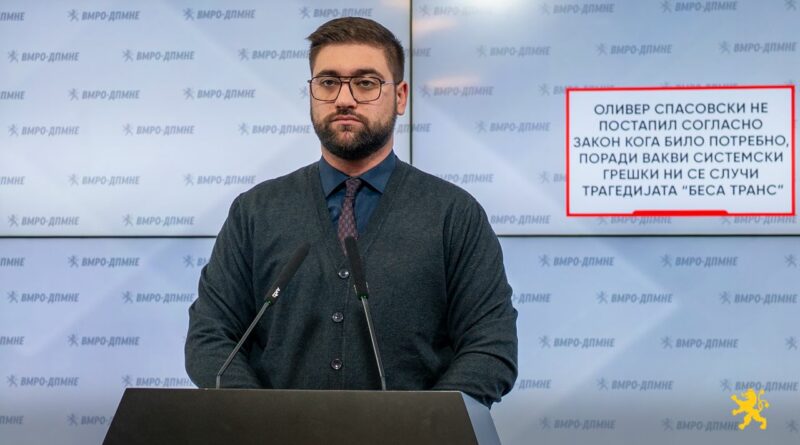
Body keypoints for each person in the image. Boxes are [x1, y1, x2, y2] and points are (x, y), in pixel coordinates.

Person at [185, 17, 517, 408]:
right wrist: (260, 421)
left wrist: (425, 426)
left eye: (366, 82)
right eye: (328, 82)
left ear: (401, 97)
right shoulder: (255, 212)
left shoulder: (455, 215)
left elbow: (491, 348)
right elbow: (210, 337)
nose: (344, 98)